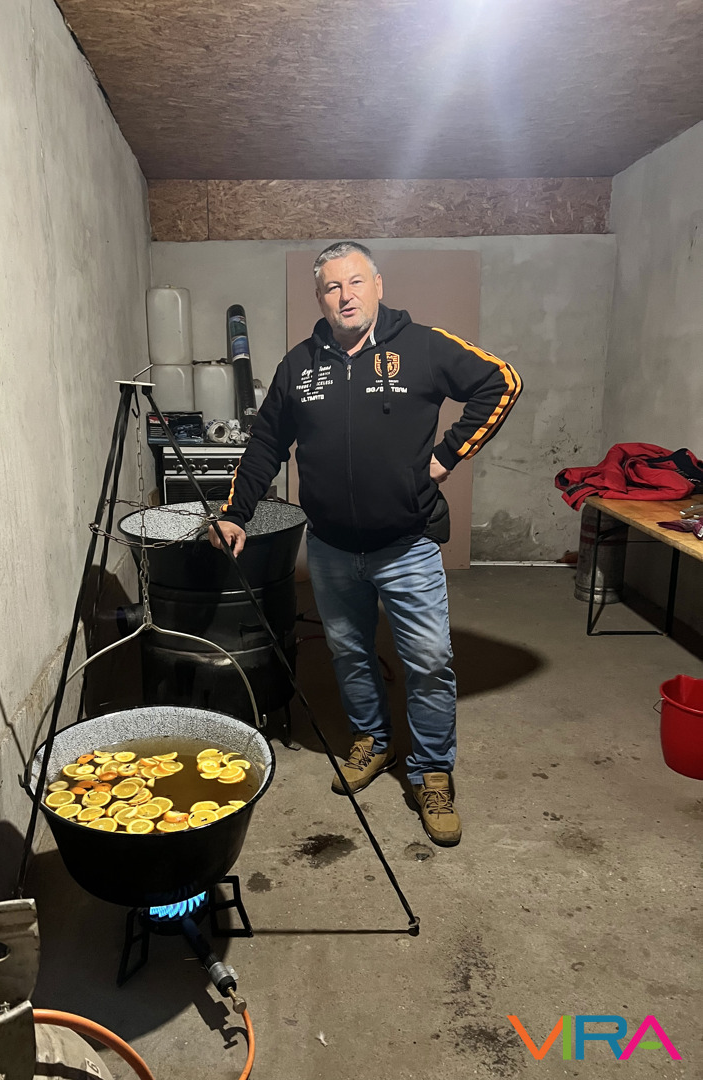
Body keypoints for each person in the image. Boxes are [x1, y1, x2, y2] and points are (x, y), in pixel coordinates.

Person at [210, 242, 522, 845]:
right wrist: (235, 513)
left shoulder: (422, 346)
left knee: (429, 662)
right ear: (320, 298)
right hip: (330, 548)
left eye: (356, 281)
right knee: (350, 653)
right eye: (332, 286)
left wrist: (446, 456)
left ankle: (432, 773)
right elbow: (266, 443)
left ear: (378, 285)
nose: (345, 295)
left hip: (407, 545)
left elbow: (501, 381)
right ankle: (373, 741)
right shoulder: (299, 366)